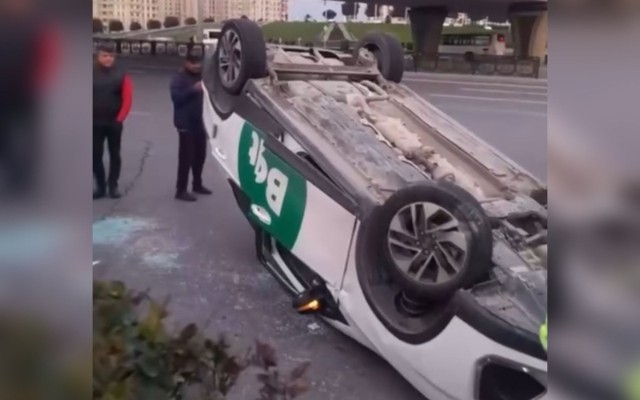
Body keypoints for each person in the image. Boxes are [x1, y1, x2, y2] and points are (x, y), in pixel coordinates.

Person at [170, 53, 212, 202]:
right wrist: (193, 90)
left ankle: (197, 184)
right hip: (185, 123)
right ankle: (180, 190)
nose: (196, 66)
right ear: (186, 63)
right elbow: (176, 98)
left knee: (200, 155)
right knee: (185, 158)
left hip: (200, 122)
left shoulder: (202, 77)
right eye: (193, 63)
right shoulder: (179, 78)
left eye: (198, 63)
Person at [93, 44, 133, 199]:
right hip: (94, 122)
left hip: (113, 122)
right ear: (98, 56)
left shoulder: (122, 74)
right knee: (95, 156)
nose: (108, 59)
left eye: (111, 56)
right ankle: (100, 186)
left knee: (115, 155)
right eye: (105, 56)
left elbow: (127, 99)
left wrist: (119, 119)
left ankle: (113, 185)